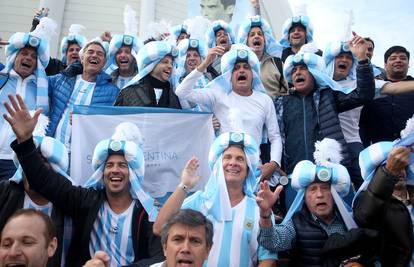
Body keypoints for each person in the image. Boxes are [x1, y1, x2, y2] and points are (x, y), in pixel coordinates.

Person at [4, 96, 164, 267]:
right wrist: (25, 142)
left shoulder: (148, 212)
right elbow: (44, 181)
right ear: (101, 173)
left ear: (132, 173)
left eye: (122, 165)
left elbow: (159, 258)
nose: (115, 170)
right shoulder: (86, 200)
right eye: (109, 165)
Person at [154, 131, 277, 266]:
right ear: (218, 166)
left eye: (240, 159)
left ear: (248, 170)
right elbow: (160, 228)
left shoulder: (260, 208)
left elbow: (267, 258)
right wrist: (184, 185)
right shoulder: (199, 202)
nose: (233, 163)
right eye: (227, 157)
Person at [257, 138, 374, 266]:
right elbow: (271, 241)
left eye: (325, 188)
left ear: (334, 194)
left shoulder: (349, 221)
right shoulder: (296, 223)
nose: (319, 195)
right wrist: (265, 214)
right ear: (304, 197)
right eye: (313, 190)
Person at [176, 44, 283, 179]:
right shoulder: (218, 96)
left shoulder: (264, 100)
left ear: (253, 74)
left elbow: (275, 137)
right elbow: (182, 92)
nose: (241, 71)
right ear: (230, 76)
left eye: (246, 68)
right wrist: (205, 63)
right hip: (223, 169)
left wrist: (273, 164)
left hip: (254, 171)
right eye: (236, 68)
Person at [275, 33, 374, 177]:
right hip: (293, 174)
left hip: (329, 172)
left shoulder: (328, 95)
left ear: (315, 73)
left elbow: (364, 95)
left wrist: (362, 60)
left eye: (303, 68)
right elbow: (275, 137)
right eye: (294, 70)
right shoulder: (280, 103)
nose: (297, 73)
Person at [0, 114, 72, 267]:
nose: (33, 174)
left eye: (40, 169)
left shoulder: (72, 203)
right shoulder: (5, 194)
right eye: (29, 166)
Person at [353, 116, 414, 267]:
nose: (398, 171)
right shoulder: (367, 201)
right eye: (389, 166)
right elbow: (364, 215)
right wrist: (389, 172)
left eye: (401, 166)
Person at [0, 18, 52, 180]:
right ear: (14, 56)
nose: (28, 58)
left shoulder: (45, 88)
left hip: (15, 160)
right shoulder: (1, 79)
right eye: (24, 53)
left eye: (33, 56)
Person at [47, 40, 120, 152]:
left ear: (104, 63)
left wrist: (85, 119)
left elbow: (112, 124)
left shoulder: (113, 92)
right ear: (81, 58)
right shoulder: (62, 79)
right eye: (90, 52)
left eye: (99, 54)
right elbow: (38, 78)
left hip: (83, 156)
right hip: (52, 150)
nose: (94, 55)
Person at [360, 45, 414, 145]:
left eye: (403, 58)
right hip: (375, 151)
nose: (398, 60)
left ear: (408, 64)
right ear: (385, 65)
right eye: (393, 58)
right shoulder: (373, 87)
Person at [115, 41, 182, 109]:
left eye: (171, 63)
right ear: (150, 66)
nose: (170, 66)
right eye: (165, 62)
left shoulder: (175, 94)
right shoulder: (129, 92)